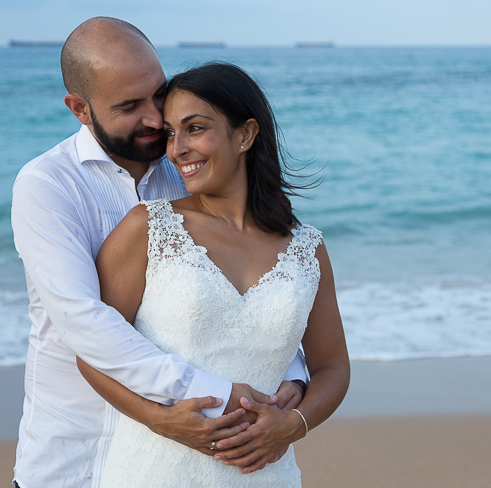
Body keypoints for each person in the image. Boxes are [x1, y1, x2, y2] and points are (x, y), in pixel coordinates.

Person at [10, 18, 308, 488]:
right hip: (76, 457)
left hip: (186, 463)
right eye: (130, 106)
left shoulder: (187, 168)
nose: (154, 118)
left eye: (158, 93)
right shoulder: (47, 186)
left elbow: (244, 284)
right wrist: (204, 396)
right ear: (79, 109)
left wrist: (290, 374)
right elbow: (83, 321)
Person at [76, 63, 351, 486]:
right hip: (156, 470)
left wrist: (295, 424)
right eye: (170, 133)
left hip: (265, 474)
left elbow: (332, 367)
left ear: (245, 134)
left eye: (195, 128)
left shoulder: (306, 248)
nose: (176, 149)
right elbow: (92, 352)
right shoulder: (148, 228)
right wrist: (158, 420)